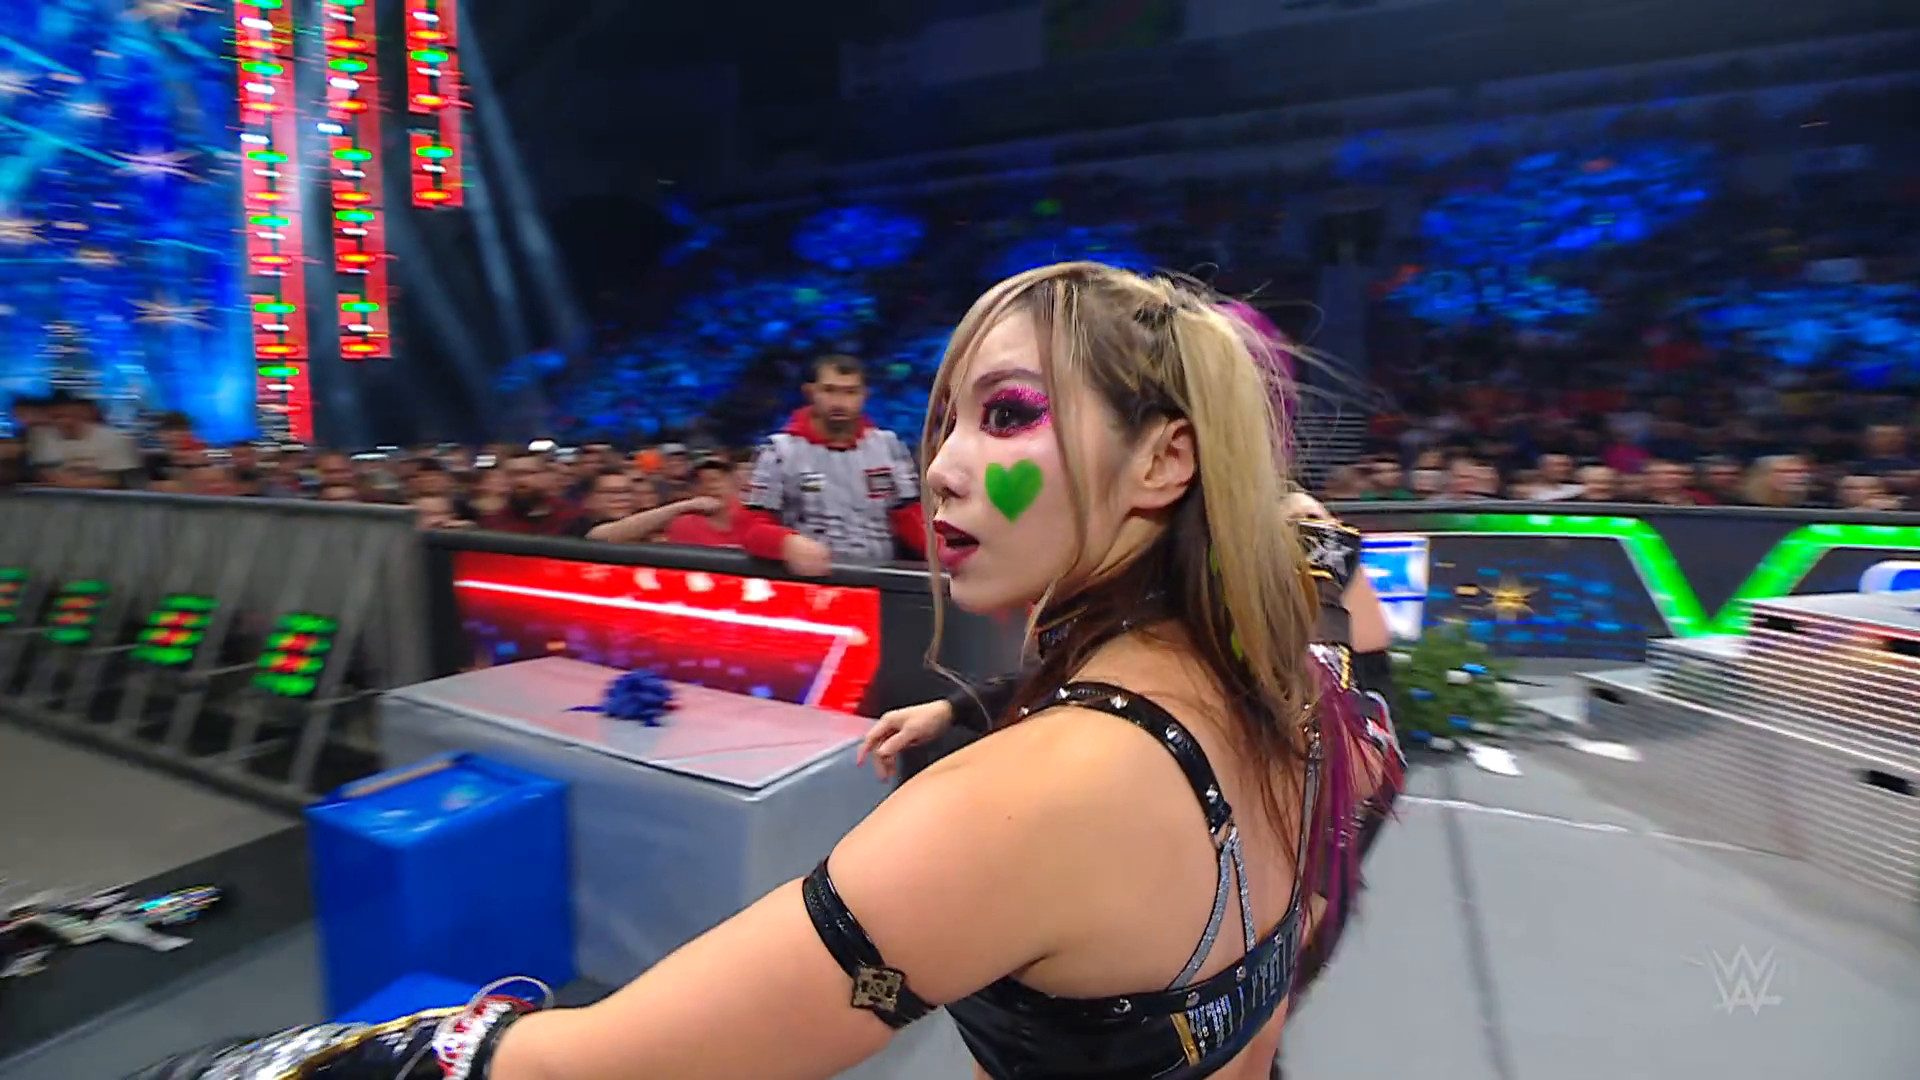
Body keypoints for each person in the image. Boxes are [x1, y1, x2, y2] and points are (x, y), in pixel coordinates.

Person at [128, 263, 1403, 1080]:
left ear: (1166, 461)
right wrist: (976, 708)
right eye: (947, 419)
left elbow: (599, 1068)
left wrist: (264, 1065)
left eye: (1008, 415)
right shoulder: (1286, 682)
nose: (944, 465)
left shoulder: (1026, 801)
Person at [735, 355, 924, 576]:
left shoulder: (889, 446)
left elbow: (910, 518)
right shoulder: (779, 451)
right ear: (810, 392)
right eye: (829, 390)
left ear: (864, 395)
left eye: (850, 392)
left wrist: (943, 554)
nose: (839, 402)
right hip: (813, 580)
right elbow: (750, 526)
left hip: (883, 579)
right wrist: (785, 543)